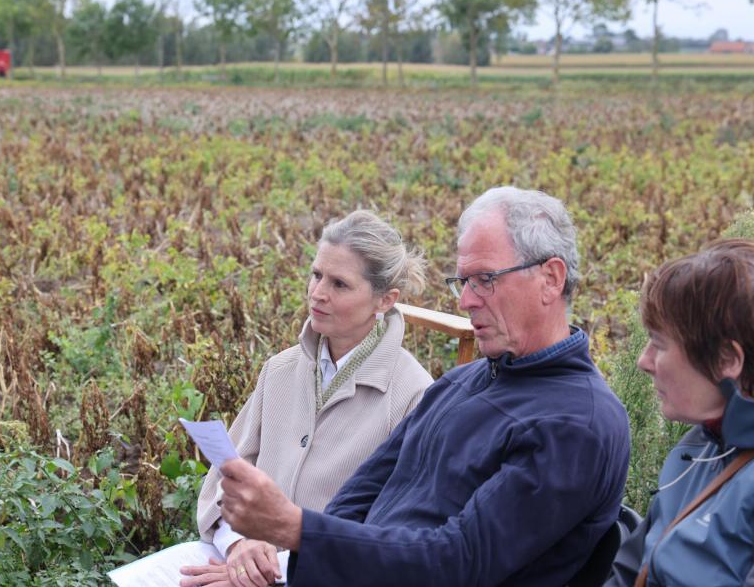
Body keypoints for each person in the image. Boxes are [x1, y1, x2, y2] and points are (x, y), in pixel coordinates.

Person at [217, 186, 632, 586]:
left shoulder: (575, 424)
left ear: (550, 279)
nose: (465, 301)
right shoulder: (463, 382)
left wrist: (297, 529)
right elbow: (358, 496)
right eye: (463, 281)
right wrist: (287, 567)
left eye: (485, 279)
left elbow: (457, 563)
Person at [179, 210, 433, 587]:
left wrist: (276, 568)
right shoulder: (280, 369)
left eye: (340, 284)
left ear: (385, 300)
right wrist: (238, 546)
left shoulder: (416, 396)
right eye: (316, 275)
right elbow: (224, 476)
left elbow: (395, 536)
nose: (318, 293)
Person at [606, 239, 754, 586]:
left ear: (727, 360)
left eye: (659, 344)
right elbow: (629, 572)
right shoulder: (702, 444)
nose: (643, 362)